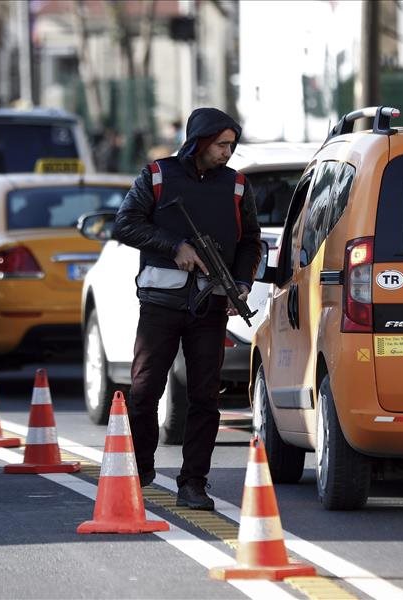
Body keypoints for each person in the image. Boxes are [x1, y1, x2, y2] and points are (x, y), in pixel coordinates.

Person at [113, 107, 262, 511]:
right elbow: (124, 224)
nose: (228, 153)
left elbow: (251, 241)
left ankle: (193, 482)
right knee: (144, 391)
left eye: (232, 145)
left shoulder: (236, 186)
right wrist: (173, 247)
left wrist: (242, 285)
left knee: (204, 398)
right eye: (221, 145)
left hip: (210, 306)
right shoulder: (158, 176)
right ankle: (140, 469)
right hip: (161, 304)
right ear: (199, 141)